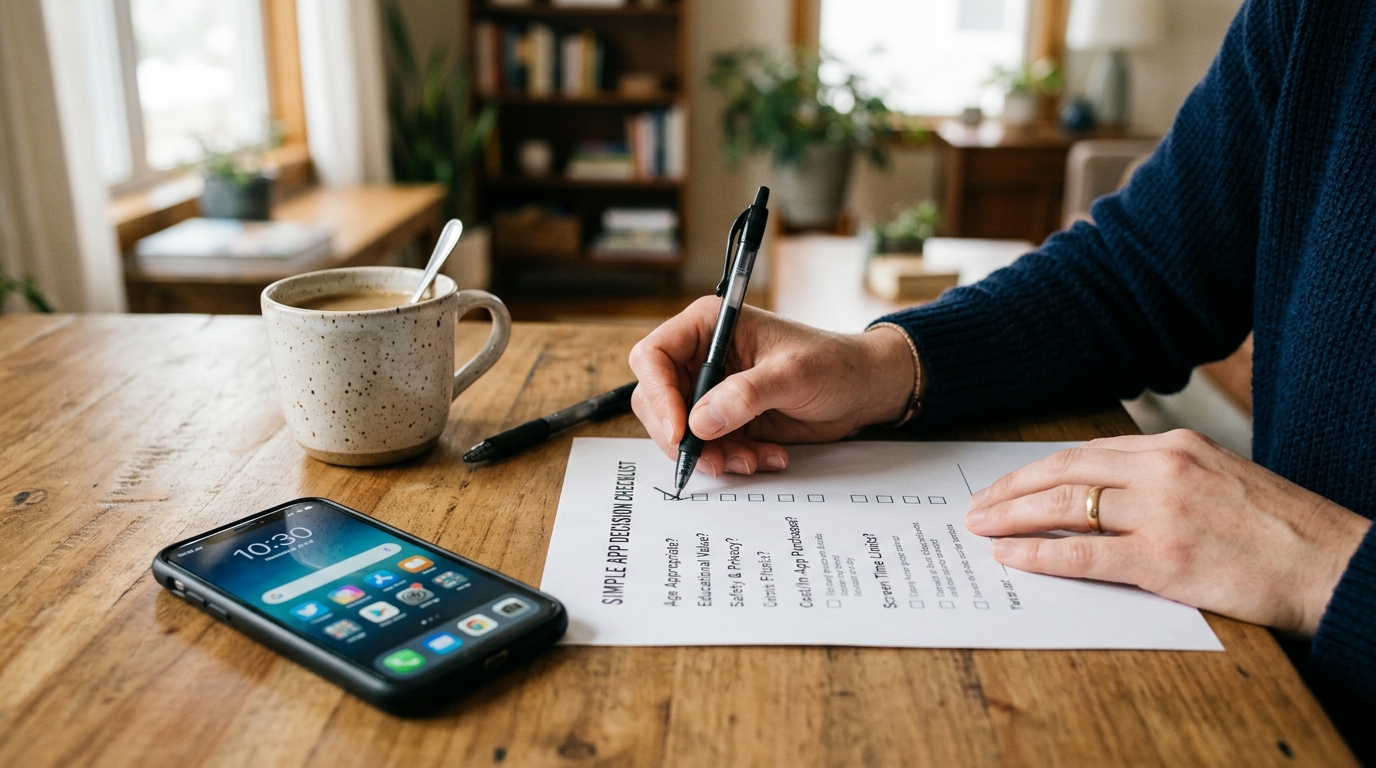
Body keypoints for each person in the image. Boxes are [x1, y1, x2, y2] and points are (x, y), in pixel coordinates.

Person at [628, 0, 1375, 755]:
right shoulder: (1322, 18)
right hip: (1277, 691)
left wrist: (1330, 569)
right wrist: (883, 364)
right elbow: (1141, 275)